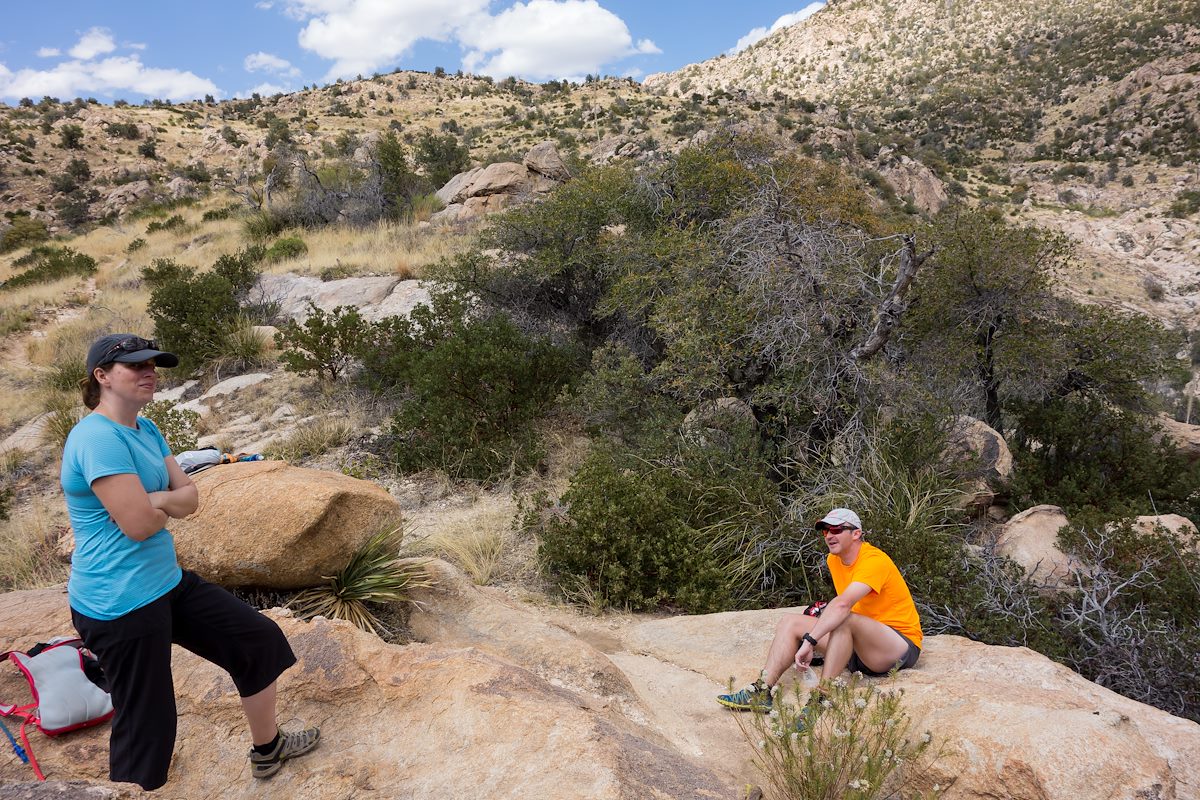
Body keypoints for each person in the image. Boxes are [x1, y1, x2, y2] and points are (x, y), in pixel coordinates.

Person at [61, 334, 321, 790]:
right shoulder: (97, 438)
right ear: (102, 376)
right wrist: (160, 502)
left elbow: (189, 498)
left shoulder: (146, 428)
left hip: (165, 582)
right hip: (120, 602)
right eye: (135, 365)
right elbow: (139, 526)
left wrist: (157, 498)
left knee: (257, 641)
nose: (149, 372)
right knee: (148, 722)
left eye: (152, 364)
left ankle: (268, 749)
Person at [717, 507, 922, 712]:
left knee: (845, 618)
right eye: (826, 531)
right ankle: (761, 691)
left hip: (895, 647)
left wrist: (810, 640)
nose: (830, 536)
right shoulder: (834, 560)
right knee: (790, 622)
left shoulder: (874, 560)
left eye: (837, 530)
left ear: (856, 533)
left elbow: (843, 604)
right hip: (859, 647)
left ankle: (822, 698)